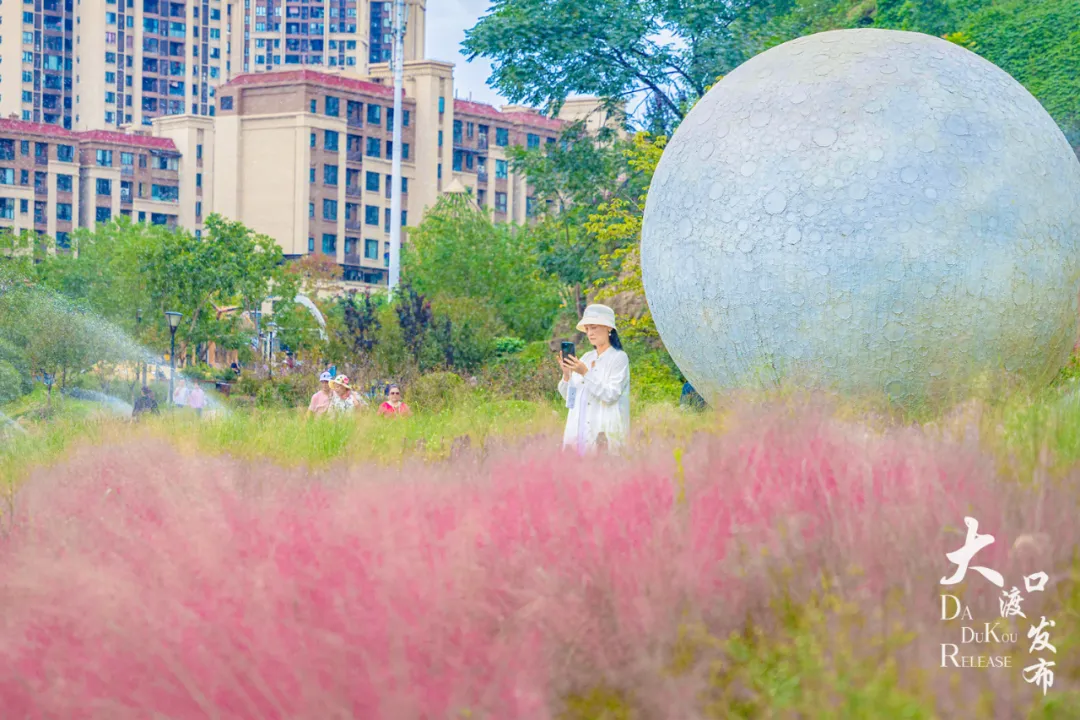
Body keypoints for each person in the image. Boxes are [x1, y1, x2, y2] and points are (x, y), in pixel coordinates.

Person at [557, 304, 631, 455]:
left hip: (603, 431)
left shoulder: (619, 358)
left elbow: (611, 395)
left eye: (594, 327)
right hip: (577, 431)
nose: (590, 333)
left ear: (609, 328)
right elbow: (570, 400)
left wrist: (585, 372)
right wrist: (567, 375)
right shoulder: (586, 357)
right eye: (588, 329)